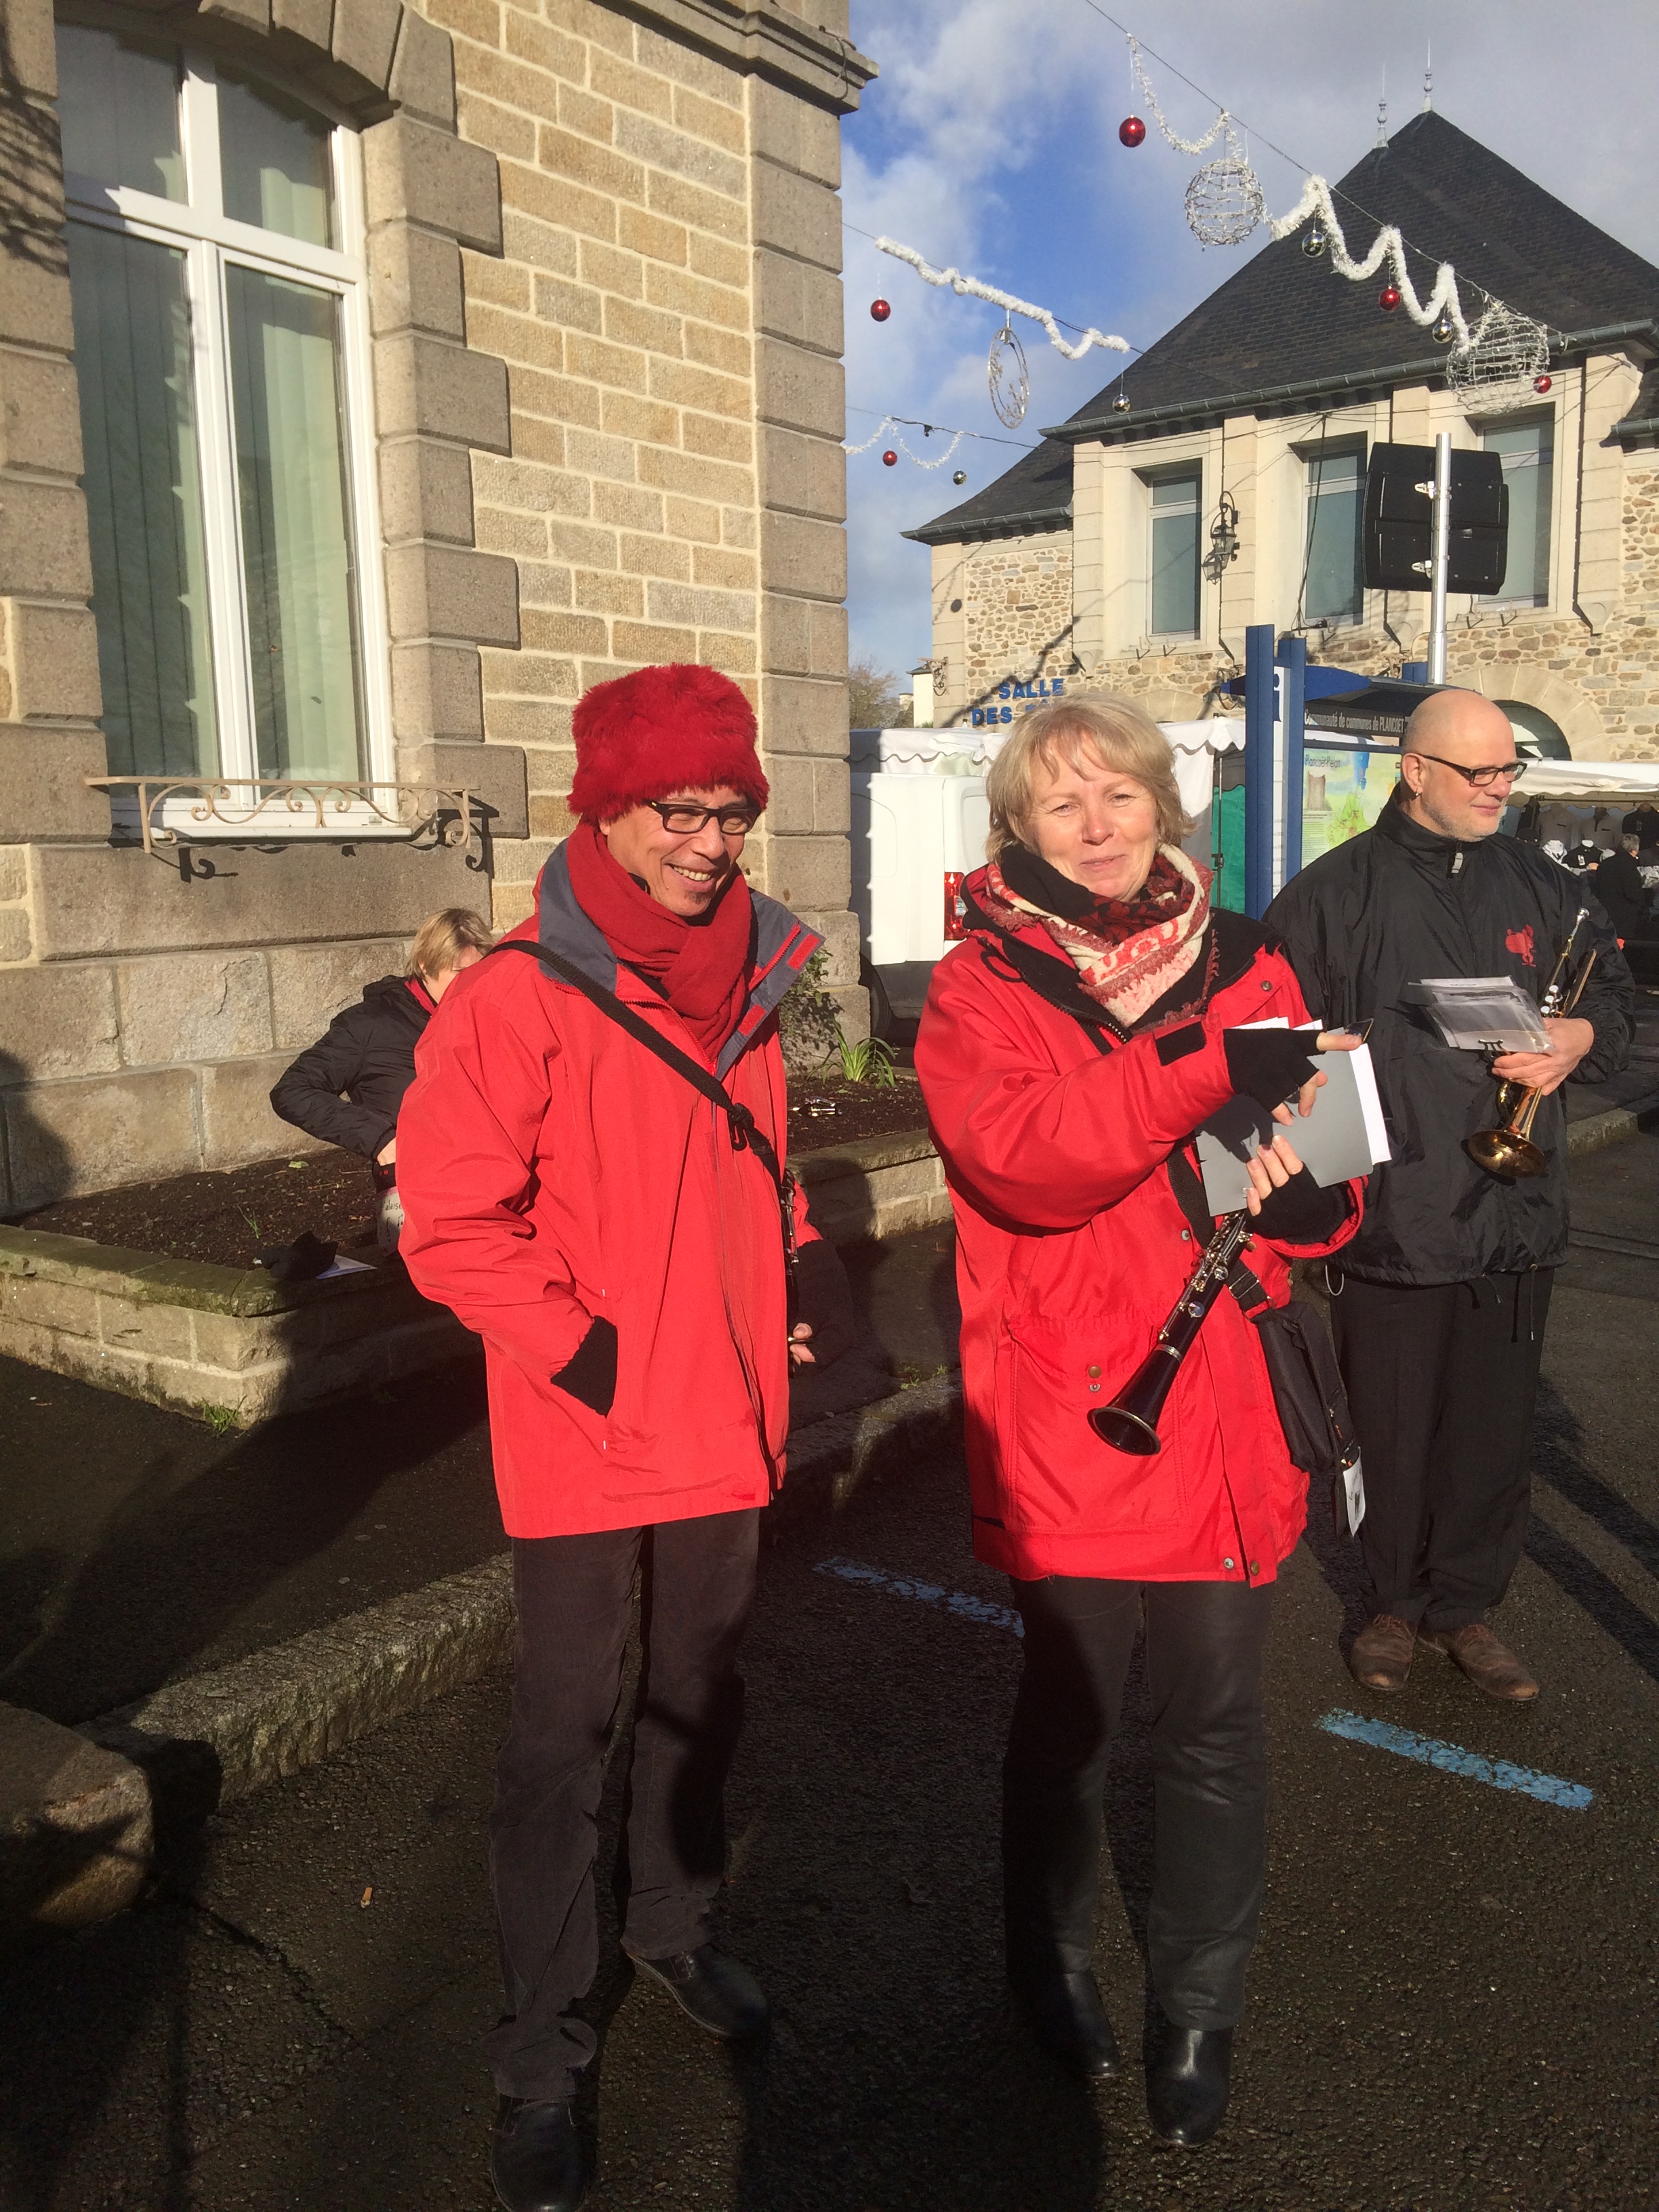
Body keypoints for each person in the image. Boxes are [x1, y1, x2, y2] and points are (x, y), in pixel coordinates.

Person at [394, 664, 854, 2212]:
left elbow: (759, 1166)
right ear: (604, 809)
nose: (710, 842)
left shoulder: (751, 974)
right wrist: (593, 1353)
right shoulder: (516, 996)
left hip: (725, 1415)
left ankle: (671, 1923)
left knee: (696, 1693)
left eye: (730, 811)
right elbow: (451, 1226)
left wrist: (783, 1280)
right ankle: (538, 2058)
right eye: (679, 810)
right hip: (590, 1428)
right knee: (560, 1737)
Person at [915, 696, 1363, 2150]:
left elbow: (1335, 1168)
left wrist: (1310, 1185)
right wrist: (1208, 1069)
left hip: (1221, 1389)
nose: (1097, 824)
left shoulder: (1249, 957)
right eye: (1062, 803)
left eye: (1118, 793)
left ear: (1163, 803)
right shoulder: (979, 983)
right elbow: (1023, 1160)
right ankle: (1046, 1967)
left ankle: (1198, 2005)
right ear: (1017, 828)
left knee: (1217, 1723)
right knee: (1072, 1717)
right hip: (1073, 1402)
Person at [1267, 690, 1633, 1704]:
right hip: (1396, 1216)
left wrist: (1576, 1039)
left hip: (1518, 1209)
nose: (1499, 788)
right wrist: (1321, 1197)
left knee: (1492, 1431)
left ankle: (1465, 1608)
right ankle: (1391, 1604)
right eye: (1480, 772)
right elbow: (1280, 1050)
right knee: (1390, 1428)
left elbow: (1613, 1002)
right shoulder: (1330, 894)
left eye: (1509, 769)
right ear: (1415, 770)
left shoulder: (1547, 883)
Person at [270, 908, 494, 1246]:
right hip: (414, 1197)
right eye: (459, 973)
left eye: (479, 972)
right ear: (425, 965)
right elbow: (293, 1090)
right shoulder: (368, 1026)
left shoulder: (482, 1016)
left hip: (488, 1189)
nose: (470, 985)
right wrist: (379, 1139)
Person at [1592, 834, 1649, 945]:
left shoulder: (1605, 864)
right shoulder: (1630, 867)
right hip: (1624, 918)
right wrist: (1645, 897)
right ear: (1634, 850)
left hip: (1604, 915)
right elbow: (1632, 893)